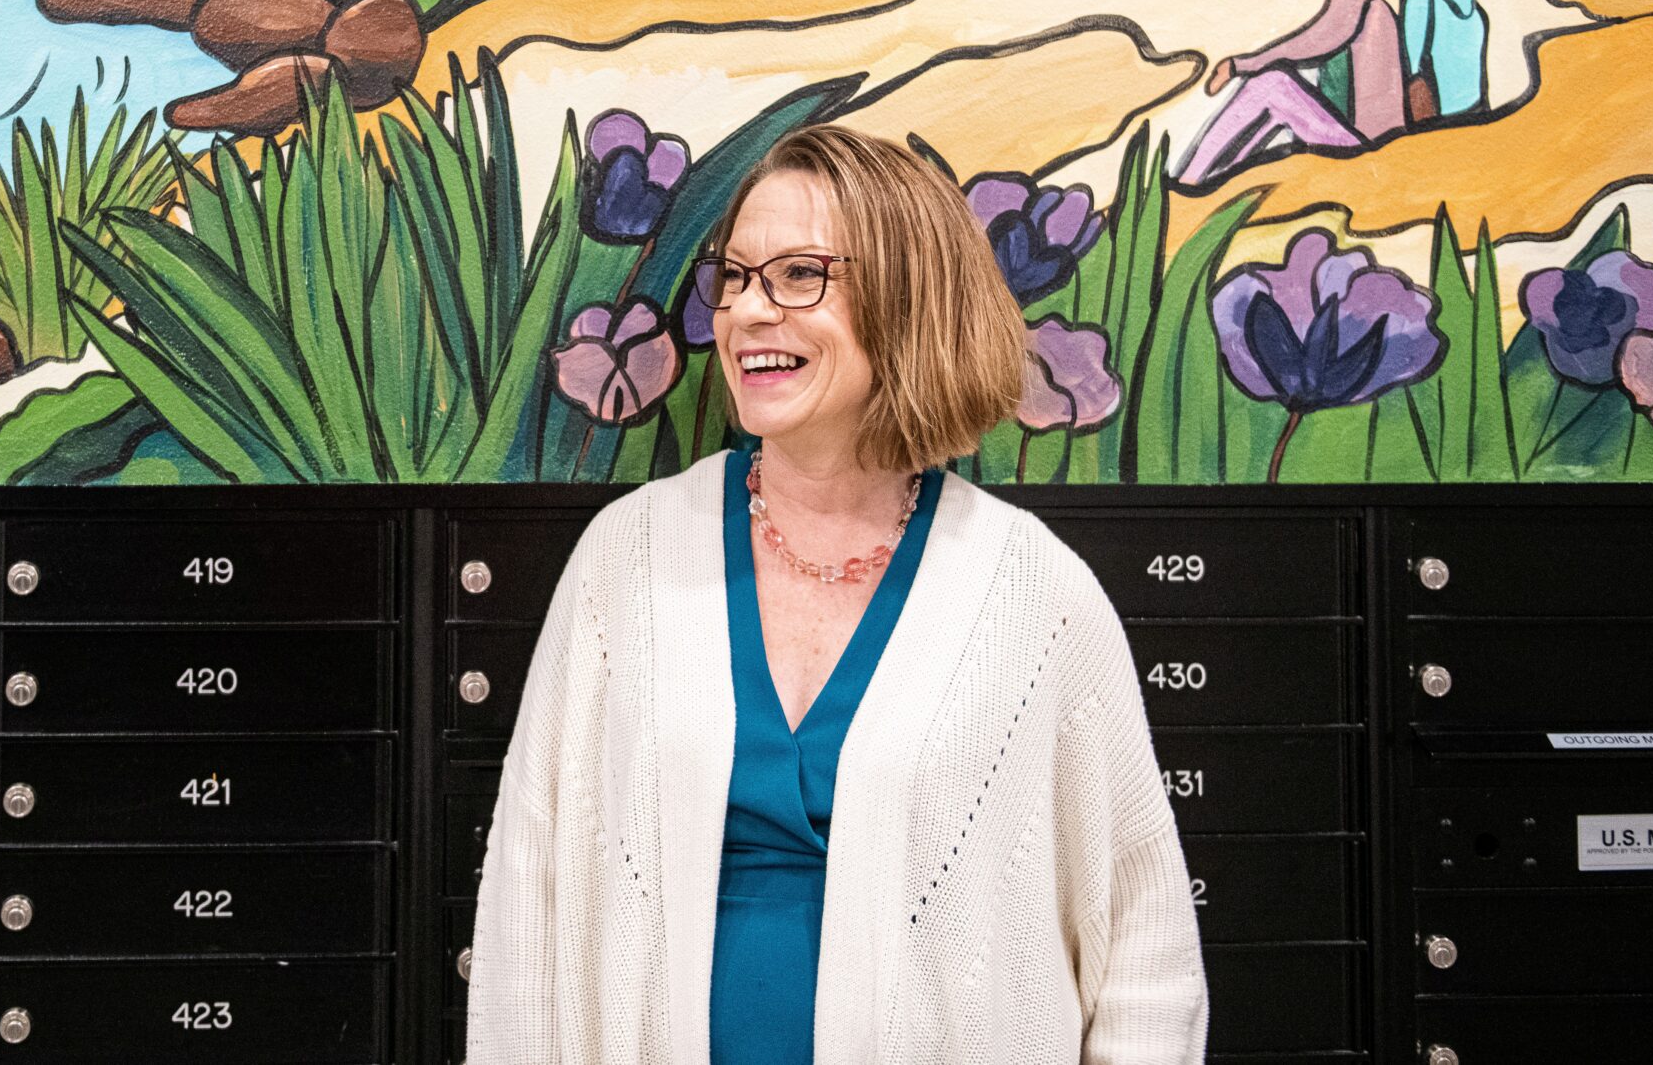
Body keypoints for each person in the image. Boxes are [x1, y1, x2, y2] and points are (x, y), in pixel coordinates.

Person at [467, 126, 1208, 1065]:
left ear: (909, 298)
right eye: (735, 276)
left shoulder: (1034, 594)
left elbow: (1144, 955)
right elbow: (527, 902)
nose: (746, 311)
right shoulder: (629, 558)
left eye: (798, 275)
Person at [1174, 0, 1406, 185]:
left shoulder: (1361, 6)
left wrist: (1237, 66)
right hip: (1358, 142)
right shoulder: (1354, 2)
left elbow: (1310, 43)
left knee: (1273, 85)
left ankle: (1191, 181)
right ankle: (1208, 181)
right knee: (1273, 97)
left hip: (1366, 150)